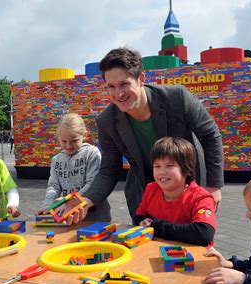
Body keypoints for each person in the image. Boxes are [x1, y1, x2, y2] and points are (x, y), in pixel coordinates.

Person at [63, 47, 223, 224]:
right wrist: (86, 200)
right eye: (111, 87)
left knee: (190, 243)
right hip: (145, 194)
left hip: (187, 187)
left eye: (124, 84)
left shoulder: (177, 98)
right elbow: (109, 169)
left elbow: (210, 135)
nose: (118, 94)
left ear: (141, 79)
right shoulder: (106, 121)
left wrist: (214, 186)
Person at [134, 137, 215, 246]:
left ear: (187, 169)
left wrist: (157, 226)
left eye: (169, 166)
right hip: (157, 252)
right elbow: (139, 215)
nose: (162, 172)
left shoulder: (200, 197)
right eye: (157, 166)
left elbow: (203, 233)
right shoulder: (151, 189)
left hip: (192, 258)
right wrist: (143, 221)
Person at [35, 113, 111, 221]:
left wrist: (69, 202)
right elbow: (54, 186)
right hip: (69, 216)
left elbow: (92, 184)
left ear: (84, 135)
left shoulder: (91, 153)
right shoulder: (56, 160)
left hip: (95, 217)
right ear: (58, 138)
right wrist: (48, 205)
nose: (69, 146)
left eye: (74, 141)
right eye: (64, 141)